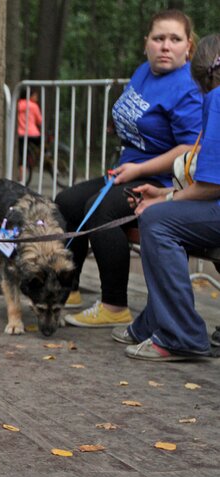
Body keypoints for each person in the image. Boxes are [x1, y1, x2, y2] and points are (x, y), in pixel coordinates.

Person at [56, 9, 202, 328]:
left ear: (188, 47)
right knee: (66, 201)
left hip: (160, 178)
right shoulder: (143, 73)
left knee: (100, 211)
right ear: (146, 43)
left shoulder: (188, 87)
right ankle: (69, 288)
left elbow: (189, 148)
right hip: (127, 169)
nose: (165, 46)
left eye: (174, 39)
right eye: (158, 38)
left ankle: (114, 305)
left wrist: (138, 170)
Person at [113, 34, 220, 361]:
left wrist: (165, 201)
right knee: (162, 215)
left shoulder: (216, 97)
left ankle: (181, 334)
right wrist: (167, 193)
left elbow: (213, 186)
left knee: (157, 222)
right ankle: (156, 321)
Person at [16, 89, 43, 182]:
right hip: (33, 134)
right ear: (30, 96)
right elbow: (40, 120)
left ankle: (22, 178)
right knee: (44, 146)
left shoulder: (18, 105)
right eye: (35, 95)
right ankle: (46, 157)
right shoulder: (34, 106)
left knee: (22, 155)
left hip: (21, 134)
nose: (36, 97)